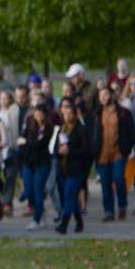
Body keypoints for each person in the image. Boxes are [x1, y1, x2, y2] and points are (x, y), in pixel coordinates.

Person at [90, 86, 134, 221]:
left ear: (112, 96)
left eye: (105, 95)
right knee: (105, 183)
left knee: (119, 178)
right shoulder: (97, 114)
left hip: (118, 152)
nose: (103, 98)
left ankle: (122, 205)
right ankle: (108, 211)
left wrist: (127, 149)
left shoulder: (123, 113)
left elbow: (131, 132)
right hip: (102, 154)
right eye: (100, 95)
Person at [54, 98, 89, 233]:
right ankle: (79, 221)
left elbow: (86, 149)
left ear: (75, 115)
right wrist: (59, 151)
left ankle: (65, 223)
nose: (67, 117)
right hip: (64, 168)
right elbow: (56, 146)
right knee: (72, 196)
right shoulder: (62, 129)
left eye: (70, 114)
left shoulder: (80, 129)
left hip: (76, 168)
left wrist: (70, 151)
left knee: (69, 194)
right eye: (65, 114)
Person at [17, 104, 54, 230]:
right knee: (28, 190)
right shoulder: (29, 126)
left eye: (40, 114)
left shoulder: (49, 128)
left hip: (42, 163)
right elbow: (21, 142)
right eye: (35, 114)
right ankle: (41, 209)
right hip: (29, 162)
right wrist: (30, 143)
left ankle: (36, 219)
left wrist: (28, 142)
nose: (37, 116)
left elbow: (41, 144)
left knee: (38, 190)